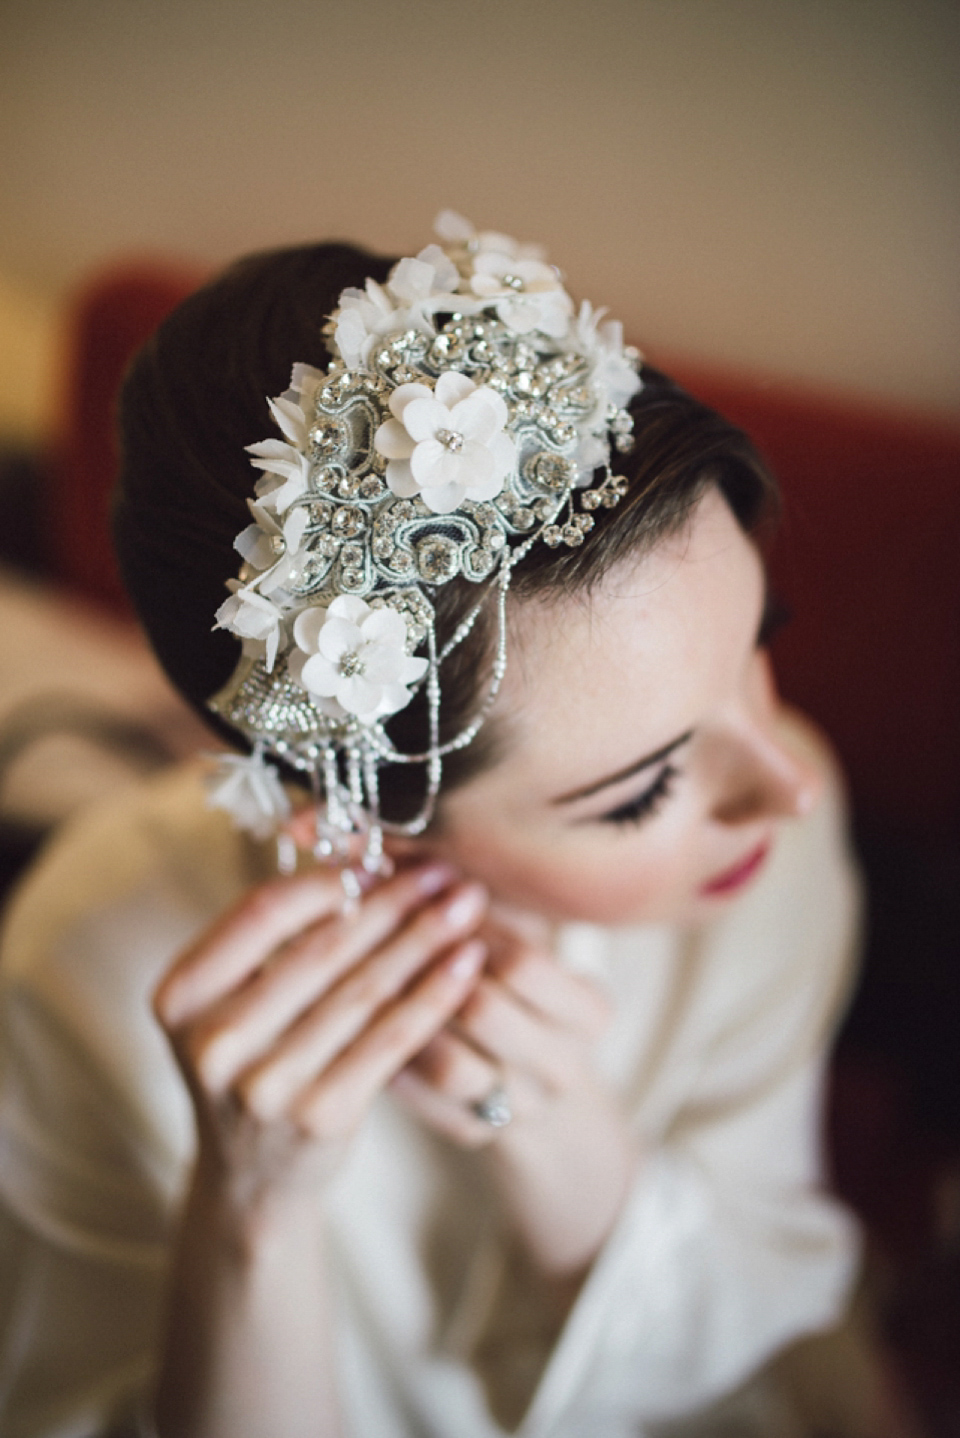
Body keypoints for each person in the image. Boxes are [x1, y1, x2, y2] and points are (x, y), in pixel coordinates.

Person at [0, 216, 870, 1438]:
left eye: (756, 651)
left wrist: (567, 1149)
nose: (784, 781)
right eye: (639, 791)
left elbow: (761, 1354)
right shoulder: (84, 952)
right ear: (377, 828)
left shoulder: (768, 854)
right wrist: (250, 1215)